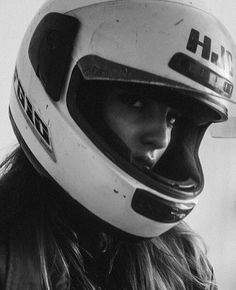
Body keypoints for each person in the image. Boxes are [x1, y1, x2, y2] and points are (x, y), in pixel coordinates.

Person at [1, 0, 236, 289]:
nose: (161, 138)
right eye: (135, 103)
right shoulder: (8, 250)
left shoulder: (185, 263)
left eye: (172, 118)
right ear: (52, 74)